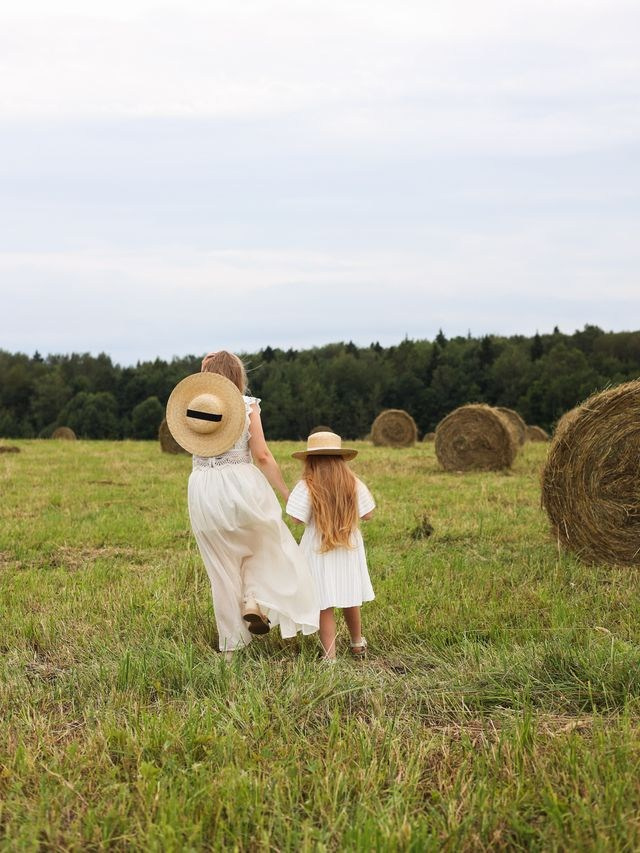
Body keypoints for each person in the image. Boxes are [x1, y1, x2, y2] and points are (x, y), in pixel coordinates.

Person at [167, 350, 319, 658]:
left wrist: (203, 371)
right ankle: (253, 598)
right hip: (241, 486)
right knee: (264, 545)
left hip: (204, 489)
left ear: (206, 376)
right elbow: (262, 455)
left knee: (221, 568)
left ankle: (230, 648)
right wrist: (287, 494)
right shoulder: (246, 406)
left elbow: (200, 400)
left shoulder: (193, 409)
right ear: (238, 376)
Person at [286, 432, 375, 661]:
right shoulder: (353, 482)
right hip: (348, 546)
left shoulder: (308, 485)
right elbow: (369, 514)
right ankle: (357, 642)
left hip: (319, 548)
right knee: (350, 596)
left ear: (310, 460)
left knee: (324, 603)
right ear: (340, 459)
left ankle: (330, 658)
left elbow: (296, 519)